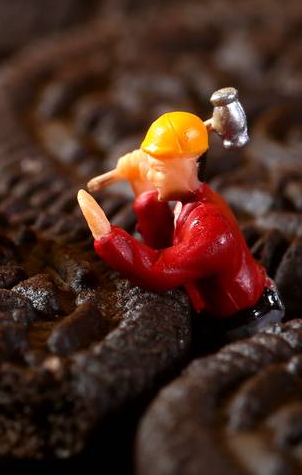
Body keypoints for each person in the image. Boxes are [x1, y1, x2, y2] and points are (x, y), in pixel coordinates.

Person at [76, 108, 282, 343]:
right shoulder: (189, 203)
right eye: (150, 167)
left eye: (159, 170)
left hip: (246, 324)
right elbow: (165, 242)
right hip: (217, 312)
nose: (151, 177)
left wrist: (108, 238)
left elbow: (159, 268)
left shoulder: (211, 228)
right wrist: (143, 190)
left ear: (193, 165)